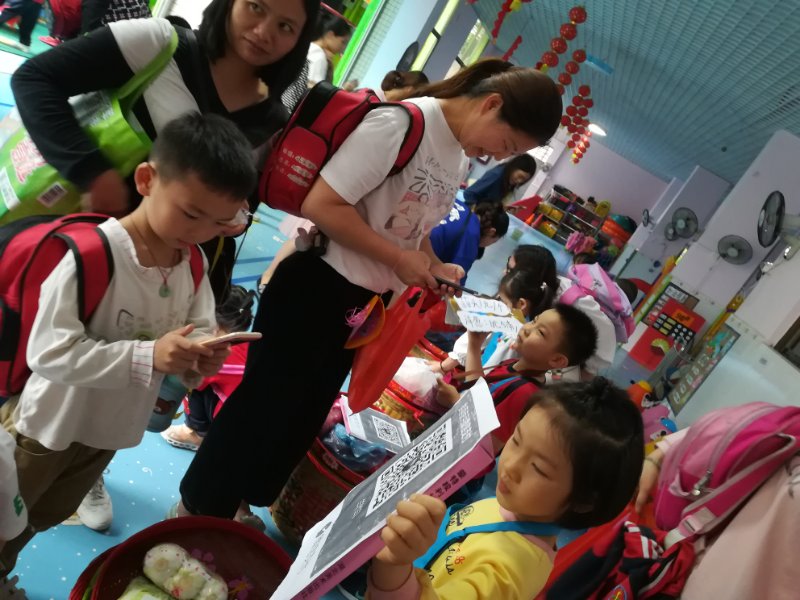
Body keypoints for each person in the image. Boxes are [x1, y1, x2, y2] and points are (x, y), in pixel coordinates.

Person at [177, 58, 563, 520]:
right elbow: (323, 204)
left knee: (298, 417)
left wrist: (433, 262)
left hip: (360, 306)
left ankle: (233, 504)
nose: (499, 157)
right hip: (315, 287)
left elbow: (414, 224)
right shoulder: (401, 124)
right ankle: (195, 511)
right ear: (491, 104)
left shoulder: (455, 153)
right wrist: (399, 260)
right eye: (508, 144)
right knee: (262, 408)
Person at [0, 113, 255, 578]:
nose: (200, 232)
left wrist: (201, 355)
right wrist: (149, 355)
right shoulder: (94, 255)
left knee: (43, 516)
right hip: (48, 426)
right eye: (190, 213)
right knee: (5, 519)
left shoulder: (192, 263)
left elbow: (196, 328)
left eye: (218, 224)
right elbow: (49, 353)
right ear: (146, 180)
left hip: (106, 431)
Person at [12, 0, 320, 298]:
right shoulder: (158, 44)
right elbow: (34, 79)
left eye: (285, 26)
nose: (264, 32)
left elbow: (241, 204)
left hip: (136, 284)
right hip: (57, 236)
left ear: (299, 40)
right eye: (256, 7)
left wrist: (230, 219)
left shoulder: (271, 122)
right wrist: (92, 173)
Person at [367, 378, 645, 600]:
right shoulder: (513, 505)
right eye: (517, 439)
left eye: (538, 468)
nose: (510, 466)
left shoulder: (511, 570)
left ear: (583, 501)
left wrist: (395, 563)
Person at [438, 303, 598, 452]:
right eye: (534, 321)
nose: (527, 328)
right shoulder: (513, 364)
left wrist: (455, 402)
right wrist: (474, 345)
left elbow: (487, 447)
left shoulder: (524, 393)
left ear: (556, 360)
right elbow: (478, 391)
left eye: (541, 332)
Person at [162, 285, 257, 452]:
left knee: (193, 381)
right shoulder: (249, 344)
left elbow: (189, 380)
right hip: (258, 423)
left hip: (233, 429)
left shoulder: (218, 354)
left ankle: (196, 433)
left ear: (214, 325)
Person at [437, 259, 559, 375]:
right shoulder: (513, 323)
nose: (498, 306)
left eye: (504, 302)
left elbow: (489, 370)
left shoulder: (512, 337)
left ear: (521, 304)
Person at [429, 201, 509, 282]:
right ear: (491, 232)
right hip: (423, 256)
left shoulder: (460, 205)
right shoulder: (470, 242)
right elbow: (455, 281)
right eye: (494, 241)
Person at [463, 153, 537, 206]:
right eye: (520, 176)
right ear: (513, 167)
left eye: (524, 180)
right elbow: (469, 193)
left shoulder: (508, 181)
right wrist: (476, 212)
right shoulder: (496, 175)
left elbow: (493, 202)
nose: (519, 181)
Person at [306, 8, 352, 86]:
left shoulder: (309, 47)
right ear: (330, 35)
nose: (343, 48)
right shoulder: (319, 57)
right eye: (343, 42)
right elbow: (314, 89)